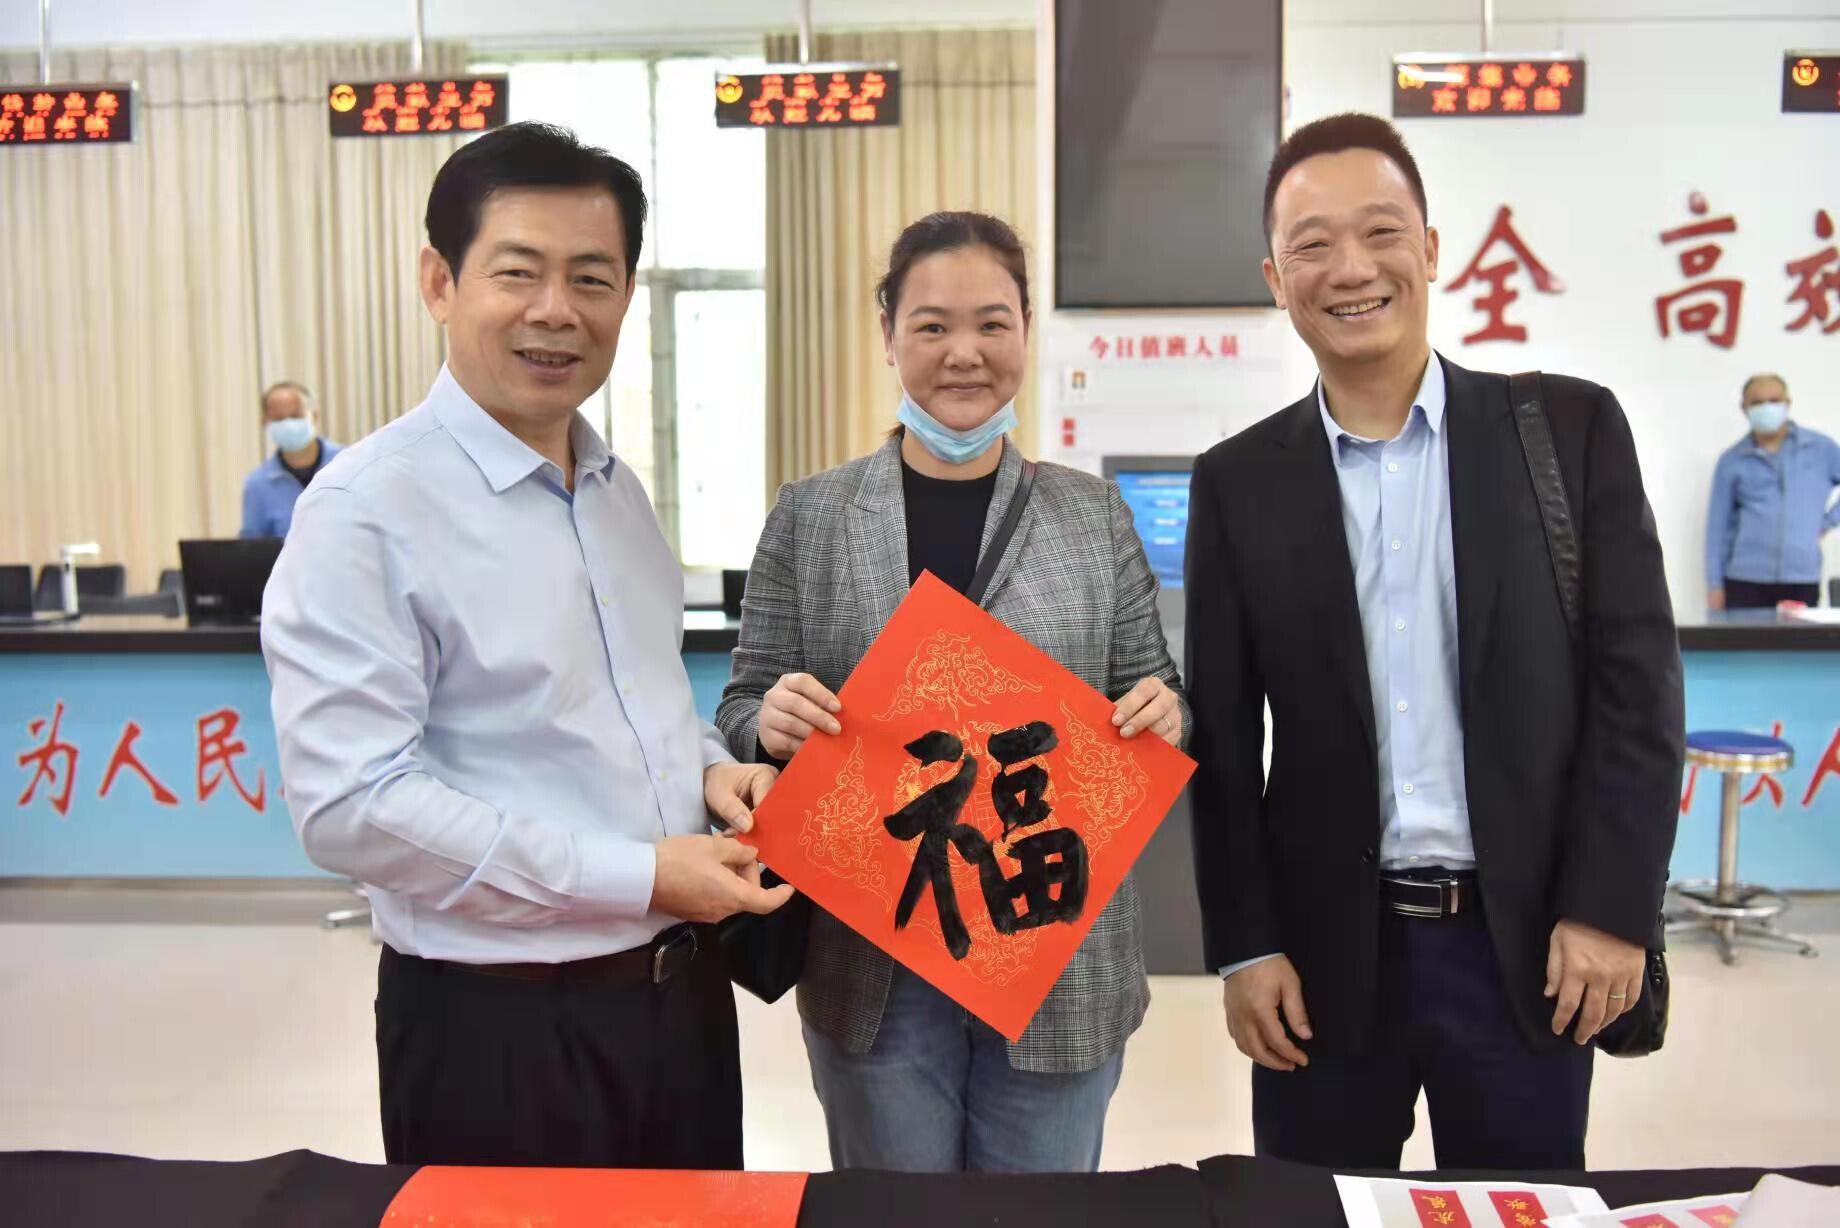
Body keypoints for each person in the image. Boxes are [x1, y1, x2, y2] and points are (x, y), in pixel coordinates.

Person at [261, 122, 792, 1171]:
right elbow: (351, 804)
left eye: (592, 278)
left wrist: (709, 771)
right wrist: (638, 875)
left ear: (626, 297)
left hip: (681, 1008)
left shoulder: (617, 493)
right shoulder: (366, 510)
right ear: (439, 282)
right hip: (498, 1031)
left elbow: (633, 702)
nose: (557, 310)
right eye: (518, 271)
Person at [1185, 113, 1683, 1170]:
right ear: (1276, 278)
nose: (1350, 268)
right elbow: (1222, 744)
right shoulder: (1237, 482)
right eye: (1312, 244)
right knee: (1314, 1208)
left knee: (1519, 1206)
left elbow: (1637, 696)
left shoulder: (1567, 432)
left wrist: (1611, 910)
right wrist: (1244, 944)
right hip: (1321, 962)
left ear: (1432, 250)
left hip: (1528, 949)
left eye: (1381, 232)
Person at [716, 211, 1186, 1174]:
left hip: (1053, 949)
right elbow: (743, 704)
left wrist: (1165, 713)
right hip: (876, 958)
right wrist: (767, 721)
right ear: (888, 333)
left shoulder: (1091, 514)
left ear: (1026, 331)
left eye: (991, 323)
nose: (963, 353)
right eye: (932, 325)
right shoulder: (811, 516)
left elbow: (1157, 694)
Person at [1705, 373, 1840, 610]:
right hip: (1745, 580)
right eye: (1757, 402)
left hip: (1802, 577)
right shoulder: (1732, 460)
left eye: (1774, 400)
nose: (1767, 407)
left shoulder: (1820, 449)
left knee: (1800, 635)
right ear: (1744, 408)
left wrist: (1827, 522)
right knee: (1746, 636)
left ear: (1788, 403)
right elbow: (1717, 528)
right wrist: (1714, 585)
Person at [239, 381, 342, 537]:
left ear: (314, 416)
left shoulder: (347, 462)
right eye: (278, 418)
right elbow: (251, 546)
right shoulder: (257, 485)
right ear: (265, 423)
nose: (288, 424)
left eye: (295, 416)